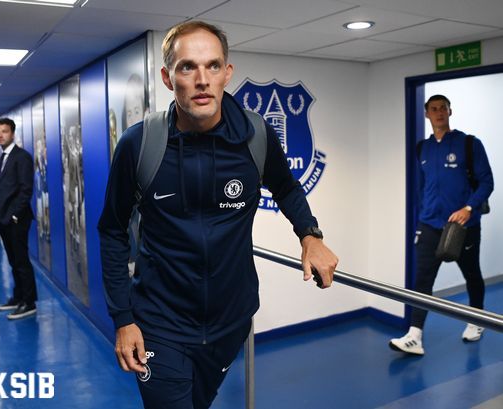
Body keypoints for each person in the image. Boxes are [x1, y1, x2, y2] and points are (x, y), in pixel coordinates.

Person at [98, 21, 338, 409]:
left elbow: (286, 187)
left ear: (227, 73)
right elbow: (112, 230)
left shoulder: (255, 136)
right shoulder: (139, 144)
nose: (202, 80)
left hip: (230, 322)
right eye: (187, 67)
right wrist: (123, 319)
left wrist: (310, 234)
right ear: (167, 77)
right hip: (161, 323)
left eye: (212, 66)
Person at [389, 95, 494, 356]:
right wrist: (420, 218)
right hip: (429, 225)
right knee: (422, 279)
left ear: (450, 112)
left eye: (443, 108)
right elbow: (420, 188)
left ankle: (477, 320)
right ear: (427, 114)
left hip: (463, 226)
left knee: (472, 274)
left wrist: (469, 208)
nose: (439, 113)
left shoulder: (468, 144)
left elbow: (487, 182)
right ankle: (415, 336)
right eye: (434, 109)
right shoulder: (422, 148)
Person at [0, 118, 37, 320]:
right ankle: (19, 297)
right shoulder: (2, 157)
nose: (0, 135)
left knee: (21, 261)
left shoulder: (22, 157)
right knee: (13, 261)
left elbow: (26, 190)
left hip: (17, 219)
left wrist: (14, 215)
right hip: (3, 218)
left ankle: (29, 302)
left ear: (12, 134)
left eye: (5, 131)